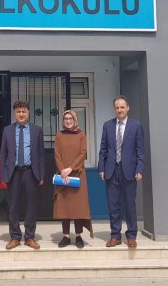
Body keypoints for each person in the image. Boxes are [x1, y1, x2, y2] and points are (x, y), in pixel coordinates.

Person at [98, 95, 145, 249]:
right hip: (111, 170)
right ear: (114, 109)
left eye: (122, 107)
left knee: (130, 205)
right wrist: (101, 168)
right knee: (113, 205)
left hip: (130, 171)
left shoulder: (136, 126)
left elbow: (140, 150)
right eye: (117, 107)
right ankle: (115, 236)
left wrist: (139, 169)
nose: (120, 110)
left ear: (128, 108)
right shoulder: (107, 125)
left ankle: (131, 236)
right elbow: (103, 149)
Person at [0, 100, 45, 250]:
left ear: (28, 112)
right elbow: (3, 155)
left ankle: (30, 236)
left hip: (31, 172)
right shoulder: (7, 130)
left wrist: (41, 175)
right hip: (13, 173)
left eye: (24, 111)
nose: (21, 114)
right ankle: (15, 237)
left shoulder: (37, 130)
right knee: (13, 206)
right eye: (18, 111)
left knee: (31, 205)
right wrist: (4, 175)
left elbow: (40, 155)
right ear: (14, 113)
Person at [53, 110, 93, 249]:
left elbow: (83, 153)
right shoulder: (59, 135)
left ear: (75, 120)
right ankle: (65, 236)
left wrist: (70, 168)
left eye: (70, 118)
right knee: (65, 206)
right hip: (63, 175)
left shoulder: (81, 135)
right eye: (66, 119)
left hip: (77, 174)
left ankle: (78, 235)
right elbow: (57, 154)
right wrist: (62, 170)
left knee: (78, 206)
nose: (68, 121)